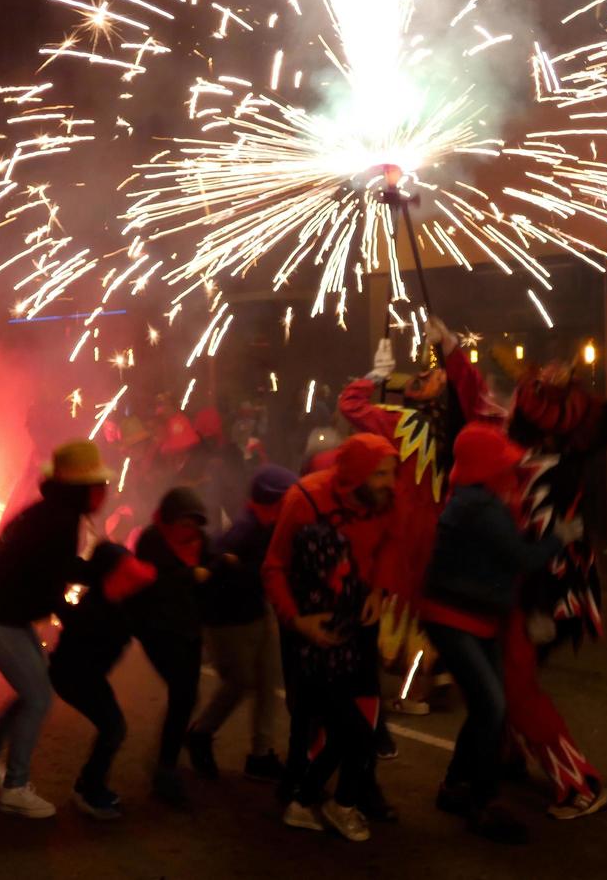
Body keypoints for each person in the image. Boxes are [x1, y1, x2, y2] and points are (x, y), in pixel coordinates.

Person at [422, 422, 581, 845]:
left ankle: (456, 786)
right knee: (491, 707)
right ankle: (483, 802)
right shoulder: (480, 507)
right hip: (455, 617)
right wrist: (559, 539)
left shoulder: (474, 500)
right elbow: (519, 557)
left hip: (473, 617)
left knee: (484, 708)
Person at [339, 317, 493, 720]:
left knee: (405, 614)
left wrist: (380, 373)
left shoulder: (412, 426)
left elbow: (350, 404)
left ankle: (406, 690)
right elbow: (470, 392)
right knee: (419, 613)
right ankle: (435, 680)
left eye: (432, 374)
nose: (425, 372)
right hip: (430, 538)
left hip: (415, 540)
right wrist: (445, 351)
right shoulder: (430, 429)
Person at [0, 440, 116, 819]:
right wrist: (80, 621)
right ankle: (15, 787)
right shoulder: (58, 522)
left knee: (37, 689)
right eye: (96, 485)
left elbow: (55, 572)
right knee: (38, 697)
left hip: (3, 613)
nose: (104, 493)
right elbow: (51, 587)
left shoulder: (53, 514)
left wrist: (101, 572)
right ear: (78, 488)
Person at [263, 433, 400, 839]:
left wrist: (379, 589)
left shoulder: (385, 499)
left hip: (359, 619)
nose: (389, 483)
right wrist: (295, 620)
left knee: (364, 712)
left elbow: (390, 545)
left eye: (391, 473)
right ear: (356, 475)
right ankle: (299, 789)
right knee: (308, 713)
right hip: (309, 624)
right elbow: (273, 567)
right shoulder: (303, 500)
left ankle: (352, 792)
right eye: (379, 474)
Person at [505, 363, 607, 819]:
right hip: (534, 589)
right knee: (504, 682)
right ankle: (506, 757)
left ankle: (577, 783)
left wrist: (538, 607)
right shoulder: (547, 460)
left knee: (520, 687)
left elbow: (547, 541)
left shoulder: (547, 469)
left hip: (545, 593)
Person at [186, 465, 298, 783]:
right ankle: (200, 733)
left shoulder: (271, 527)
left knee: (267, 683)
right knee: (239, 682)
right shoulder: (245, 531)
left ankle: (261, 754)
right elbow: (213, 571)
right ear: (274, 502)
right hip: (228, 620)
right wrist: (240, 571)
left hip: (257, 613)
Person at [48, 542, 155, 819]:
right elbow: (73, 618)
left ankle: (88, 786)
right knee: (113, 728)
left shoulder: (114, 599)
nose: (131, 581)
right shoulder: (96, 609)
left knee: (113, 728)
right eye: (124, 574)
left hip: (86, 675)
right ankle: (88, 791)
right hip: (73, 676)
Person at [127, 487, 215, 808]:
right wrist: (189, 575)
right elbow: (150, 580)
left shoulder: (200, 542)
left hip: (188, 628)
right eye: (182, 522)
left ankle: (168, 761)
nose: (188, 530)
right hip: (156, 629)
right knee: (183, 693)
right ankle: (165, 768)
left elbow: (211, 569)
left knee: (186, 695)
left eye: (193, 523)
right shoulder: (152, 539)